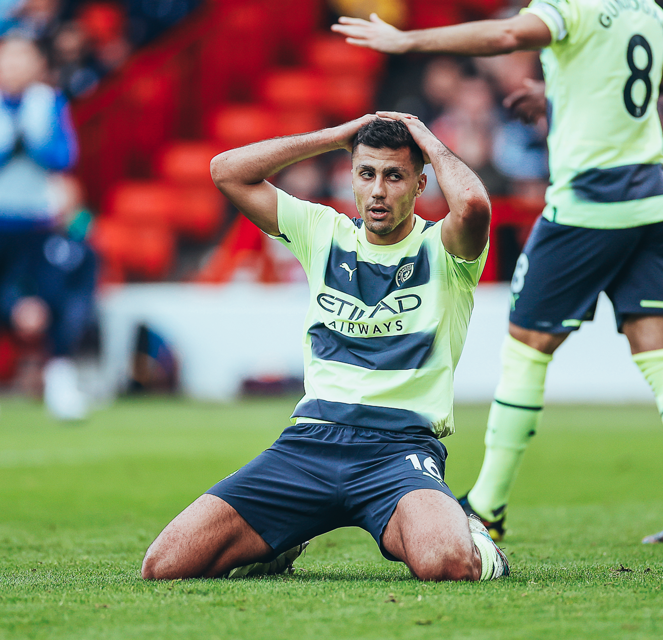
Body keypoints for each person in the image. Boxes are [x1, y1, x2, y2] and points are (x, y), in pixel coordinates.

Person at [334, 0, 663, 545]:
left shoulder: (573, 8)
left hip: (588, 205)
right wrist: (559, 95)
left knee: (525, 349)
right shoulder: (652, 16)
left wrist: (410, 42)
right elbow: (645, 83)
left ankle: (489, 504)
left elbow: (510, 35)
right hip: (654, 203)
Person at [141, 114, 509, 582]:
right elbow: (225, 170)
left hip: (398, 450)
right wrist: (336, 136)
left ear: (420, 185)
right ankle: (284, 539)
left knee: (446, 563)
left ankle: (476, 540)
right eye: (366, 173)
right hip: (309, 445)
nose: (378, 190)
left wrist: (428, 141)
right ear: (351, 177)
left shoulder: (444, 249)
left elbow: (474, 204)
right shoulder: (323, 231)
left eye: (394, 176)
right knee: (165, 566)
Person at [0, 36, 89, 428]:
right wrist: (6, 150)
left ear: (36, 65)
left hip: (39, 220)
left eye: (21, 60)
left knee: (54, 298)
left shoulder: (50, 102)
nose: (12, 69)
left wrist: (32, 146)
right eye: (5, 62)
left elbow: (64, 157)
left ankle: (60, 384)